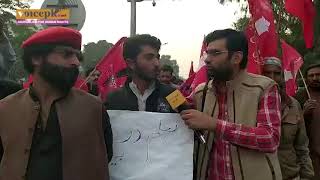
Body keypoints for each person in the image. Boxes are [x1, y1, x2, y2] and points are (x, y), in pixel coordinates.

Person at [0, 27, 112, 180]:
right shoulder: (6, 108)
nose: (75, 62)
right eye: (66, 54)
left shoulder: (94, 108)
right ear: (36, 59)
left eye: (77, 57)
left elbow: (106, 155)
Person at [180, 29, 282, 180]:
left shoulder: (264, 87)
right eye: (207, 53)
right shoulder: (201, 91)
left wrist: (215, 125)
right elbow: (176, 111)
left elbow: (270, 139)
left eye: (215, 53)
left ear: (236, 57)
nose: (207, 59)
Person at [262, 57, 314, 180]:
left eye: (277, 73)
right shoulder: (251, 103)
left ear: (282, 76)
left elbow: (302, 147)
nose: (272, 78)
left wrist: (307, 175)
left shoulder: (293, 104)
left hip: (290, 175)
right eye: (267, 73)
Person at [105, 34, 176, 113]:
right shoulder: (114, 99)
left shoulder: (173, 94)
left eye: (157, 57)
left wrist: (192, 117)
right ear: (131, 63)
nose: (157, 63)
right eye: (149, 58)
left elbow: (186, 113)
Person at [295, 63, 320, 180]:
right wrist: (304, 113)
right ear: (305, 78)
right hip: (311, 154)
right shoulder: (299, 97)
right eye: (311, 75)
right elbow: (292, 125)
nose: (315, 78)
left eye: (318, 75)